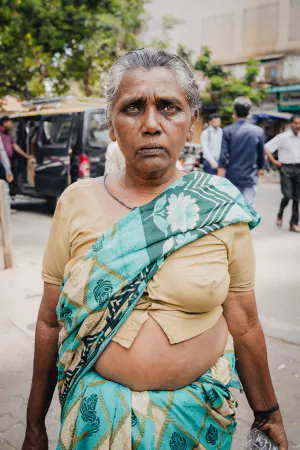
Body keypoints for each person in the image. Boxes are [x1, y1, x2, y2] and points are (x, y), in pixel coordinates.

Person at [22, 49, 287, 450]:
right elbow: (48, 321)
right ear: (111, 125)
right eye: (132, 108)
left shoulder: (220, 207)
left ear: (192, 121)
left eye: (168, 107)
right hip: (95, 424)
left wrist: (268, 414)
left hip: (195, 422)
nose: (151, 124)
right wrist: (35, 427)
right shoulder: (76, 202)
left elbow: (245, 323)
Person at [218, 97, 265, 206]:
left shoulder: (227, 130)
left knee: (234, 211)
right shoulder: (258, 131)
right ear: (249, 113)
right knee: (248, 211)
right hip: (250, 178)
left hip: (232, 177)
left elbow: (223, 157)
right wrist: (257, 175)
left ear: (234, 113)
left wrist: (219, 179)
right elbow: (261, 157)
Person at [265, 115, 300, 233]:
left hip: (298, 168)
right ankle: (280, 212)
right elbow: (267, 148)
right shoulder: (282, 137)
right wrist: (274, 161)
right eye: (295, 123)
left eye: (299, 123)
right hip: (286, 168)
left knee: (297, 198)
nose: (297, 126)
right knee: (287, 195)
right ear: (290, 124)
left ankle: (294, 223)